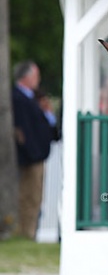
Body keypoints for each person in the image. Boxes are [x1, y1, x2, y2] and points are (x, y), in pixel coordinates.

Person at [12, 60, 59, 239]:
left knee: (36, 197)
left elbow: (50, 129)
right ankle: (26, 233)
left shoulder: (33, 98)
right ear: (26, 77)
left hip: (38, 155)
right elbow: (22, 130)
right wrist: (33, 153)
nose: (37, 80)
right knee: (28, 197)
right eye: (35, 76)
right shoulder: (17, 97)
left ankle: (31, 232)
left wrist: (47, 113)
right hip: (29, 158)